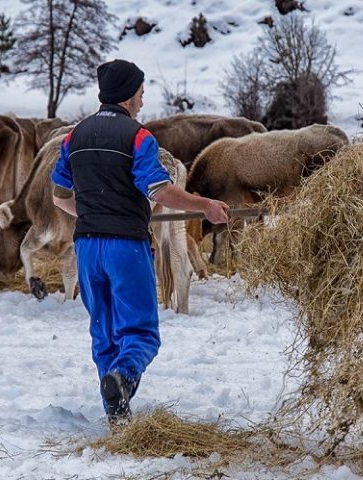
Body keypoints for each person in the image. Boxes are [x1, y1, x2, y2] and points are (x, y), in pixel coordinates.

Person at [50, 59, 230, 428]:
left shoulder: (74, 136)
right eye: (141, 94)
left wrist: (89, 214)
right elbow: (160, 189)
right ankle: (124, 378)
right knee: (141, 333)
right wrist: (204, 206)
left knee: (104, 333)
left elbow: (58, 195)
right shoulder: (138, 137)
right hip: (125, 247)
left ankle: (115, 413)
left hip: (86, 247)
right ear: (129, 96)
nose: (142, 103)